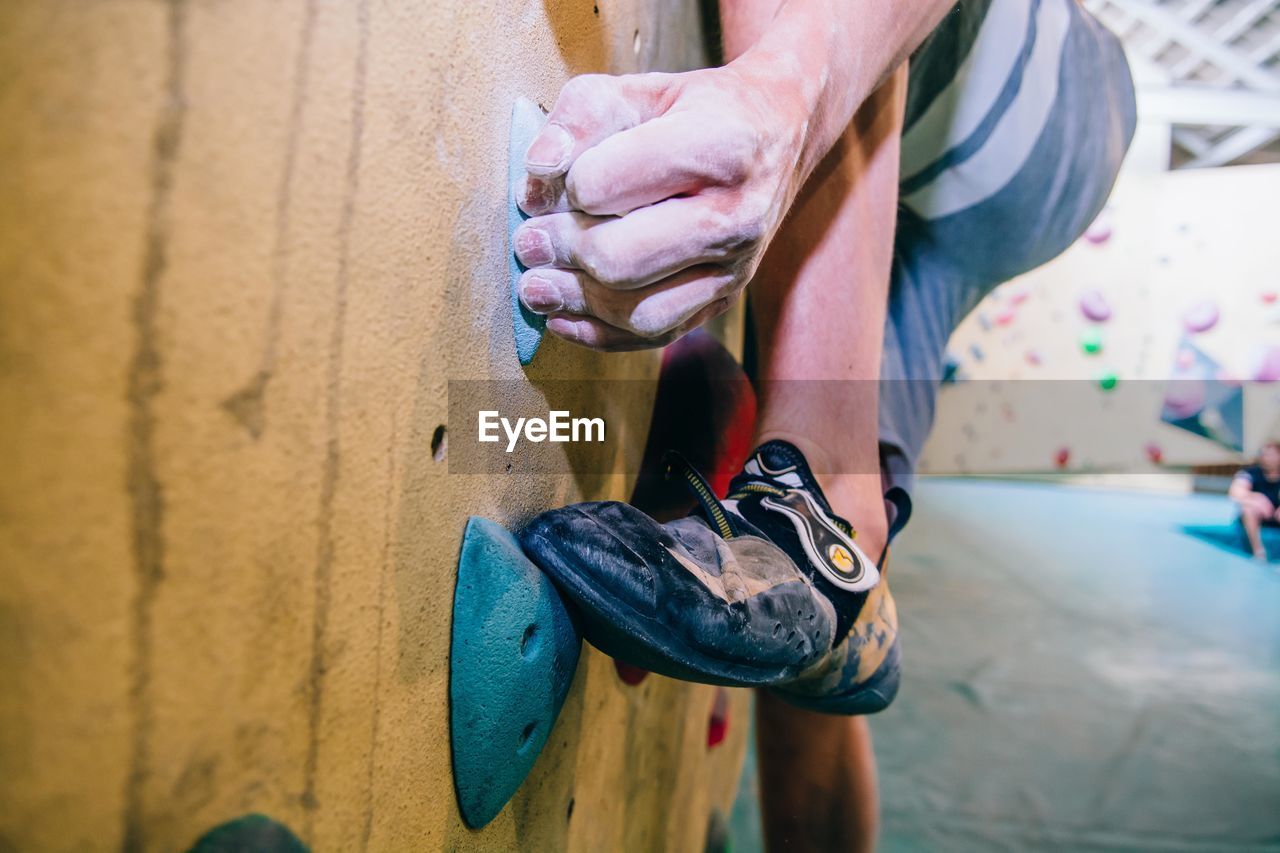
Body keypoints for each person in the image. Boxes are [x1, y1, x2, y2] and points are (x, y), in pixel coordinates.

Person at [512, 0, 1135, 848]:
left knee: (810, 486)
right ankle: (831, 518)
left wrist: (782, 93)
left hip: (1052, 97)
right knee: (813, 608)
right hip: (973, 191)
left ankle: (823, 482)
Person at [1230, 440, 1280, 561]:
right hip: (1256, 517)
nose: (1266, 458)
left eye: (1271, 455)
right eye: (1264, 454)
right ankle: (1259, 552)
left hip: (1276, 517)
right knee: (1248, 509)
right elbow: (1235, 491)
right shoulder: (1251, 472)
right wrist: (1257, 499)